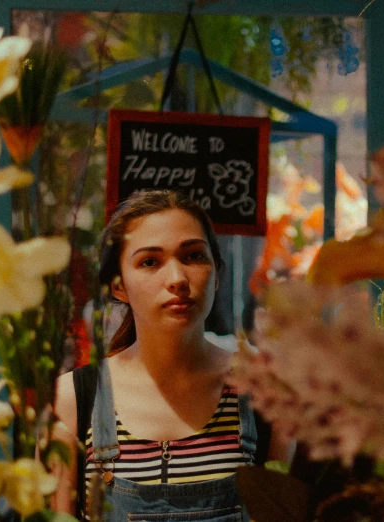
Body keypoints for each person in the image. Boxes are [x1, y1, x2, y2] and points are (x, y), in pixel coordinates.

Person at [54, 190, 286, 521]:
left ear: (217, 274)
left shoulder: (263, 391)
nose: (177, 279)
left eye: (193, 256)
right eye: (150, 262)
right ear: (118, 286)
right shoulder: (75, 399)